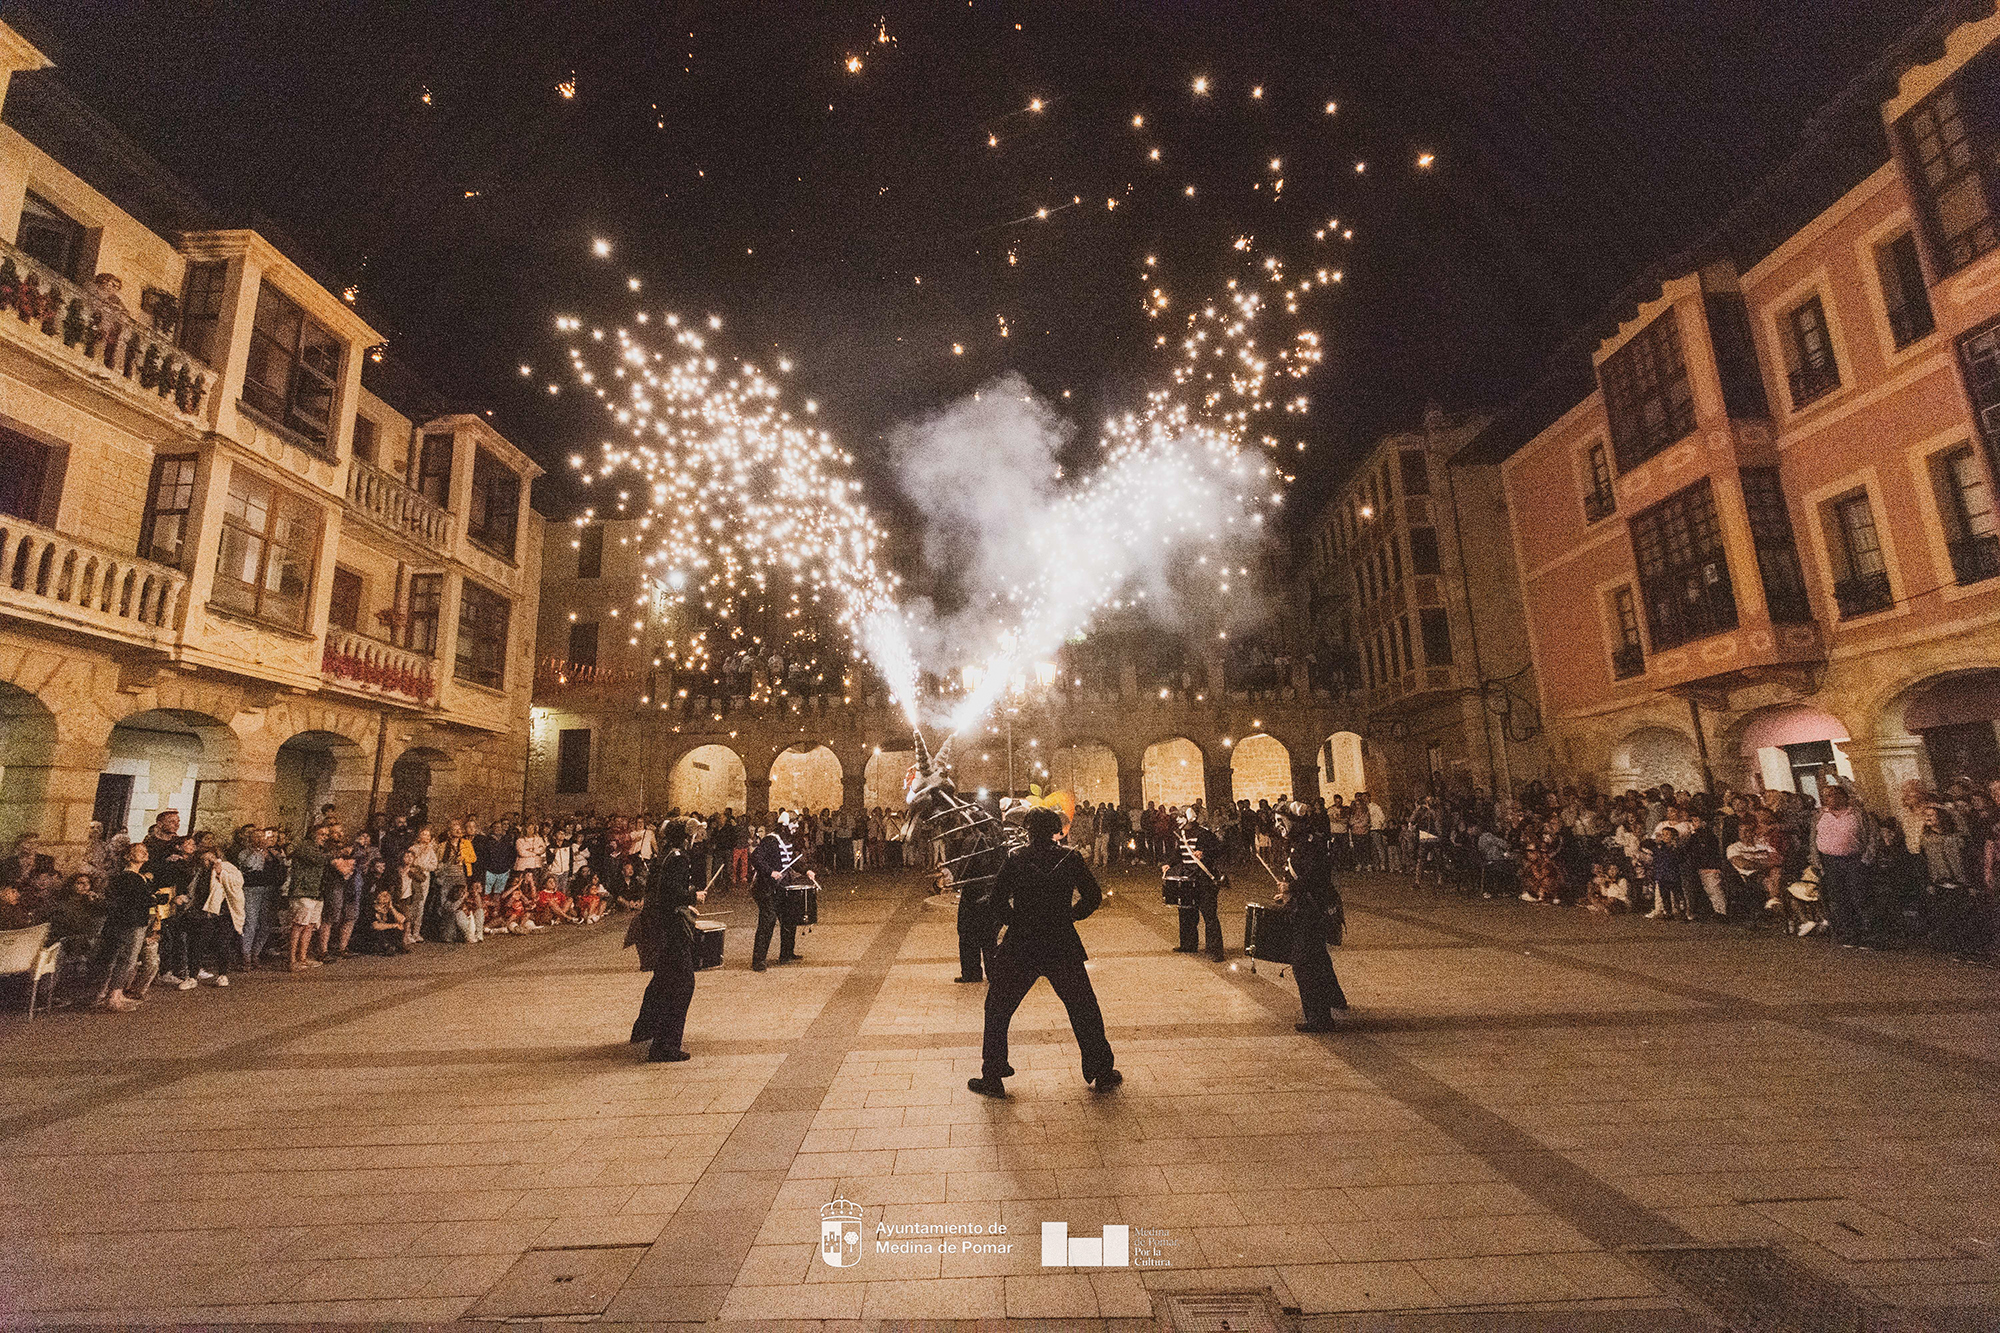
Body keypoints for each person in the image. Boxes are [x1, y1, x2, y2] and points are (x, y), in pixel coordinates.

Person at [968, 806, 1119, 1099]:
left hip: (1022, 943)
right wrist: (1072, 916)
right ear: (1054, 830)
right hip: (1061, 941)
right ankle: (1101, 1070)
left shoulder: (1016, 859)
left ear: (1028, 830)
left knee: (998, 1009)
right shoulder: (1070, 858)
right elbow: (1093, 896)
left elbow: (997, 900)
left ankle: (993, 1074)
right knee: (1083, 1008)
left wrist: (1017, 921)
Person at [626, 821, 706, 1062]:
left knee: (661, 980)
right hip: (671, 928)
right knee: (682, 985)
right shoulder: (679, 857)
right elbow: (671, 891)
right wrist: (693, 894)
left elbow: (658, 890)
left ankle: (644, 1028)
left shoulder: (665, 856)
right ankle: (665, 1045)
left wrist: (685, 902)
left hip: (658, 923)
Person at [1276, 801, 1348, 1031]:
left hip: (1312, 910)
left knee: (1305, 963)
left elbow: (1315, 877)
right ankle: (1334, 998)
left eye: (1282, 821)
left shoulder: (1309, 844)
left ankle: (1319, 1018)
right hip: (1307, 907)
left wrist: (1291, 889)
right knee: (1318, 956)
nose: (1279, 826)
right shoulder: (1301, 842)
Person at [749, 811, 816, 971]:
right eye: (794, 823)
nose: (796, 826)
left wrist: (806, 870)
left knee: (788, 919)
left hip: (781, 887)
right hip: (765, 888)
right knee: (767, 922)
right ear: (785, 824)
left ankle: (786, 953)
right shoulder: (770, 840)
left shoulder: (787, 839)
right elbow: (756, 858)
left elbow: (791, 859)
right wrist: (771, 871)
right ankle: (758, 960)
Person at [95, 842, 157, 1012]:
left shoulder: (136, 877)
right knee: (126, 959)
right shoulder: (130, 878)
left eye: (146, 851)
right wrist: (153, 898)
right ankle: (114, 996)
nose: (144, 854)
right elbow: (139, 900)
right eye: (139, 851)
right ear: (128, 856)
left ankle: (111, 994)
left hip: (127, 921)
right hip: (131, 923)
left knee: (121, 958)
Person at [1170, 808, 1225, 961]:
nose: (1178, 821)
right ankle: (1188, 944)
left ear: (1189, 818)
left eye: (1181, 817)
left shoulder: (1204, 834)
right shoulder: (1181, 835)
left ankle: (1215, 950)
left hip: (1204, 880)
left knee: (1209, 915)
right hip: (1188, 878)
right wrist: (1168, 864)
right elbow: (1178, 854)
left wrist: (1204, 853)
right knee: (1186, 912)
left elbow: (1219, 849)